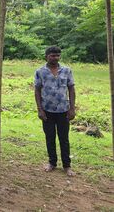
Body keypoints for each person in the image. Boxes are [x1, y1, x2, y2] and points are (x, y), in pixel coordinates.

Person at [34, 46, 76, 176]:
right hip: (47, 111)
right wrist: (40, 109)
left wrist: (72, 108)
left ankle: (67, 165)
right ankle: (52, 162)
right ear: (47, 56)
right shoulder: (40, 71)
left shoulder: (67, 70)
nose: (55, 58)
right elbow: (37, 90)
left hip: (63, 110)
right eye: (52, 55)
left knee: (64, 139)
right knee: (50, 137)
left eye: (57, 55)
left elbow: (71, 89)